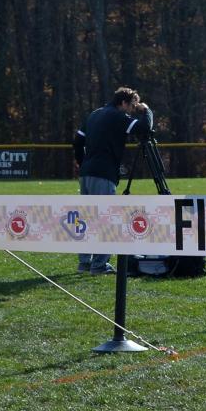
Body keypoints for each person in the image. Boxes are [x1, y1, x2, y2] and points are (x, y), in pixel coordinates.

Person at [73, 86, 148, 273]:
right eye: (131, 106)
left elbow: (77, 141)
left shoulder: (95, 114)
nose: (132, 110)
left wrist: (83, 163)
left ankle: (84, 262)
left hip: (86, 173)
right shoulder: (117, 116)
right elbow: (145, 128)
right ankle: (99, 265)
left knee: (87, 218)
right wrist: (147, 111)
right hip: (103, 173)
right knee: (106, 218)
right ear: (123, 103)